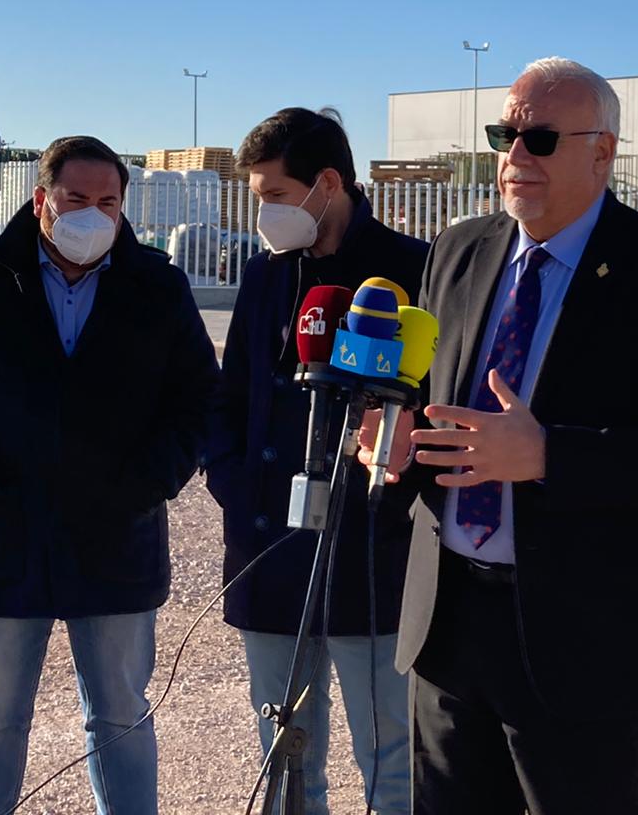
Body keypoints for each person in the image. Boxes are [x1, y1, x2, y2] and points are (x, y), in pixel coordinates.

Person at [362, 57, 638, 815]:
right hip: (451, 621)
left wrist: (546, 455)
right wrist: (395, 443)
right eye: (505, 134)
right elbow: (431, 400)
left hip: (583, 633)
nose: (514, 156)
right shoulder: (459, 251)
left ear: (602, 151)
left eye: (538, 138)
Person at [0, 135, 220, 815]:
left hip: (116, 540)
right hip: (5, 541)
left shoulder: (157, 287)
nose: (92, 215)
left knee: (120, 718)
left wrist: (146, 486)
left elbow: (198, 402)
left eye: (108, 202)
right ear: (42, 200)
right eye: (77, 199)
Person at [203, 107, 426, 815]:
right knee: (285, 751)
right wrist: (233, 482)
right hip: (270, 542)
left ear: (327, 183)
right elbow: (231, 391)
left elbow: (437, 406)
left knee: (394, 754)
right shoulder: (267, 275)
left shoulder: (416, 269)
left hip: (373, 553)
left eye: (273, 193)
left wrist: (393, 485)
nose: (263, 211)